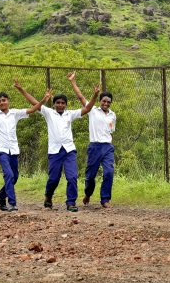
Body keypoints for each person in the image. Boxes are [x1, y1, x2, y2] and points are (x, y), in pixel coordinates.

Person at [0, 77, 51, 212]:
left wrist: (43, 100)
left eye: (4, 100)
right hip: (1, 149)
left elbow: (33, 109)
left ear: (8, 101)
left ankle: (0, 197)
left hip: (13, 148)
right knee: (9, 175)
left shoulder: (15, 113)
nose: (2, 102)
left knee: (15, 177)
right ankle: (12, 203)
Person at [16, 80, 99, 212]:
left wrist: (95, 95)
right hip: (54, 151)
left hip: (69, 150)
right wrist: (21, 89)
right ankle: (48, 196)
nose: (60, 105)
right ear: (54, 104)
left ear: (66, 105)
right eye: (58, 103)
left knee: (72, 177)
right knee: (53, 178)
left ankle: (71, 202)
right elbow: (34, 102)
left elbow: (87, 108)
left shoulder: (70, 114)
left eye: (62, 103)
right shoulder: (49, 113)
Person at [67, 72, 116, 208]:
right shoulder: (92, 110)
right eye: (104, 101)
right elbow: (80, 96)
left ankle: (105, 199)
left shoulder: (113, 115)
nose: (106, 103)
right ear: (100, 101)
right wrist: (73, 81)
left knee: (109, 172)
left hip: (107, 147)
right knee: (90, 176)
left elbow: (111, 130)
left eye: (108, 101)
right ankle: (88, 194)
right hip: (95, 147)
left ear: (111, 103)